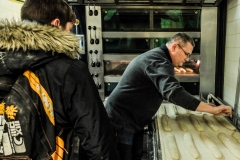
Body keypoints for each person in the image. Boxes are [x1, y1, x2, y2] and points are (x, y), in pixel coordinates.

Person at [0, 0, 119, 159]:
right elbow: (96, 139)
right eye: (69, 30)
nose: (70, 35)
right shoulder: (70, 70)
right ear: (56, 24)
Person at [105, 32, 232, 160]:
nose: (187, 58)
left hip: (132, 120)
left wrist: (204, 106)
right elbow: (174, 93)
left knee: (136, 156)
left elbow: (164, 89)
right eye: (186, 54)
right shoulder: (158, 61)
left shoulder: (159, 57)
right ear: (175, 47)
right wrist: (212, 109)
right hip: (120, 121)